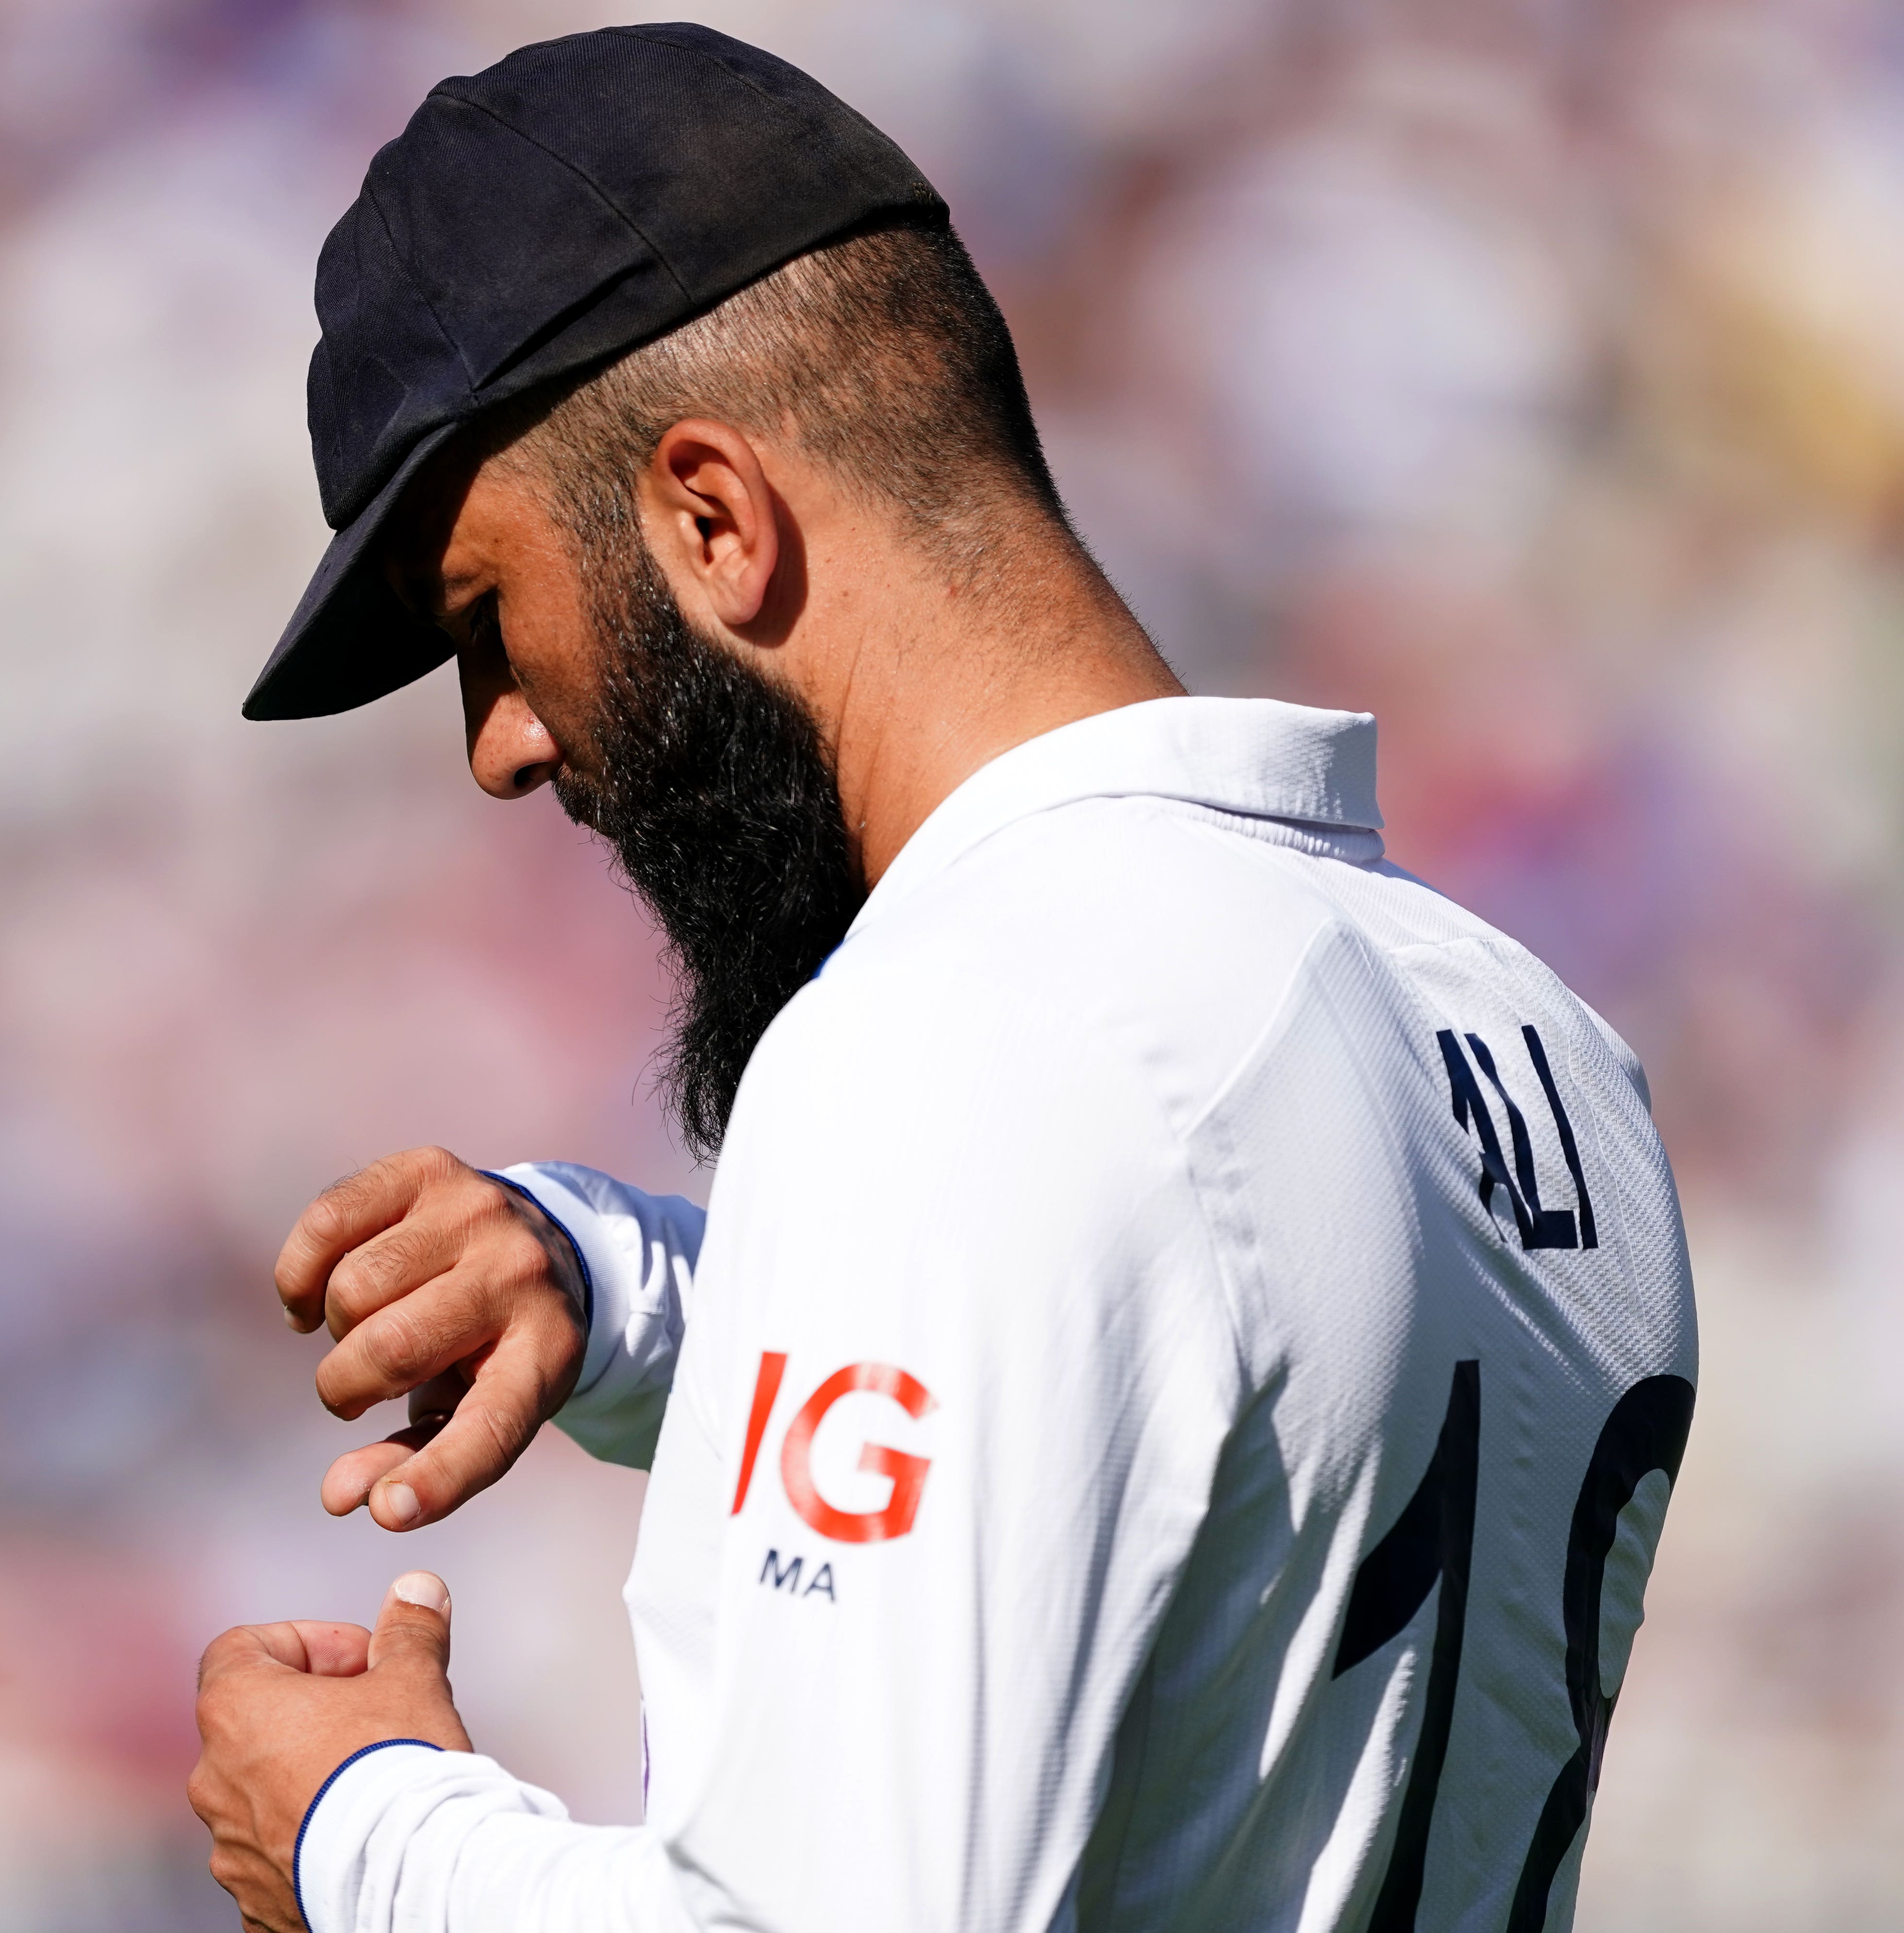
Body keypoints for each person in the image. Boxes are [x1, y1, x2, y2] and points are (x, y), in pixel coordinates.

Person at [187, 25, 1699, 1933]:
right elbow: (1178, 1369)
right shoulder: (1538, 1041)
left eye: (490, 621)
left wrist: (362, 1834)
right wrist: (628, 1291)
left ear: (714, 519)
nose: (497, 742)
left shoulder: (971, 1034)